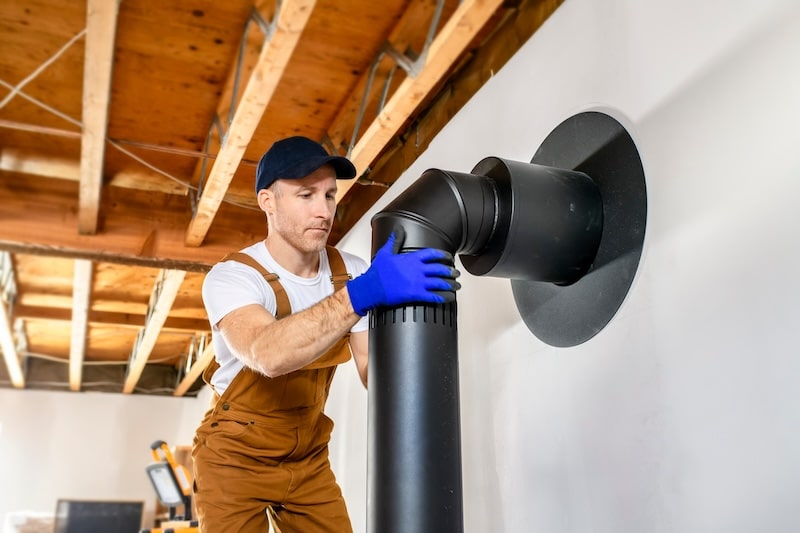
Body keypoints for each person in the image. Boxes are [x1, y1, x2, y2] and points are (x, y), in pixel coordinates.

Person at [192, 135, 460, 532]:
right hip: (234, 458)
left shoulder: (348, 270)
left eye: (330, 195)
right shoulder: (234, 277)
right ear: (268, 201)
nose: (323, 211)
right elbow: (267, 353)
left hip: (308, 457)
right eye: (305, 195)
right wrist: (362, 293)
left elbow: (371, 365)